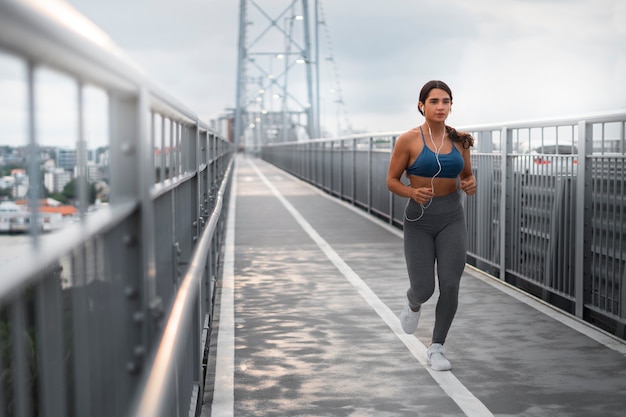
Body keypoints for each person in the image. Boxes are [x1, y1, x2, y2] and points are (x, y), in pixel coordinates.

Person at [386, 80, 476, 371]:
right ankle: (413, 303)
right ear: (421, 105)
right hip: (419, 221)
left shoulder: (460, 141)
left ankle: (437, 346)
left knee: (450, 284)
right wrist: (412, 192)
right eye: (434, 101)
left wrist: (470, 183)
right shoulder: (408, 140)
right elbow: (392, 180)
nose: (441, 107)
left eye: (446, 101)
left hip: (452, 217)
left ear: (451, 105)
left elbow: (467, 176)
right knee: (424, 289)